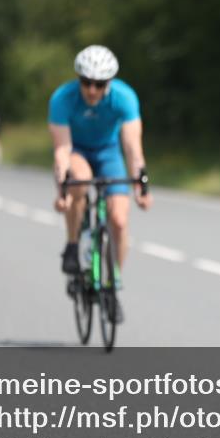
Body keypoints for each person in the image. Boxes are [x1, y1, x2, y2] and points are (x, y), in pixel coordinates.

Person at [48, 45, 152, 323]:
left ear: (110, 82)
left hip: (109, 152)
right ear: (78, 79)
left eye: (99, 84)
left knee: (119, 220)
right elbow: (62, 150)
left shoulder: (124, 97)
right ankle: (72, 245)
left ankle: (112, 285)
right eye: (86, 82)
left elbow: (133, 147)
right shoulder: (63, 98)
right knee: (79, 181)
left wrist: (141, 186)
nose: (92, 90)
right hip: (77, 150)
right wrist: (62, 189)